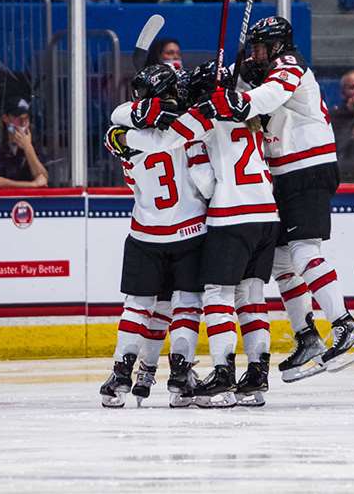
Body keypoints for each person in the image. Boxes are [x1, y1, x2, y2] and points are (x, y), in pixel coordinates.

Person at [205, 16, 354, 383]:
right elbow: (231, 83)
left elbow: (268, 96)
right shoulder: (263, 67)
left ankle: (347, 328)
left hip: (307, 167)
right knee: (282, 261)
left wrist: (238, 101)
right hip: (285, 172)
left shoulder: (289, 63)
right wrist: (221, 75)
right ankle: (307, 337)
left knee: (304, 253)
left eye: (261, 47)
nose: (256, 53)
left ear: (278, 46)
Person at [111, 61, 281, 408]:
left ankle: (214, 376)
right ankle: (254, 376)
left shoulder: (193, 122)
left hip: (205, 220)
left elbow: (149, 138)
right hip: (265, 212)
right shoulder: (247, 107)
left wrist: (124, 133)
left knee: (200, 299)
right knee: (247, 296)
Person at [100, 63, 210, 408]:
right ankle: (179, 378)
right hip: (189, 233)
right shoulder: (187, 133)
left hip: (145, 233)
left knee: (137, 307)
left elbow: (121, 125)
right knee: (187, 306)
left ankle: (120, 375)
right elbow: (205, 184)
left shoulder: (121, 136)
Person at [0, 98, 48, 189]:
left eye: (26, 118)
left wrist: (28, 148)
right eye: (18, 118)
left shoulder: (32, 142)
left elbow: (43, 178)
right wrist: (33, 185)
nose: (23, 123)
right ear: (5, 118)